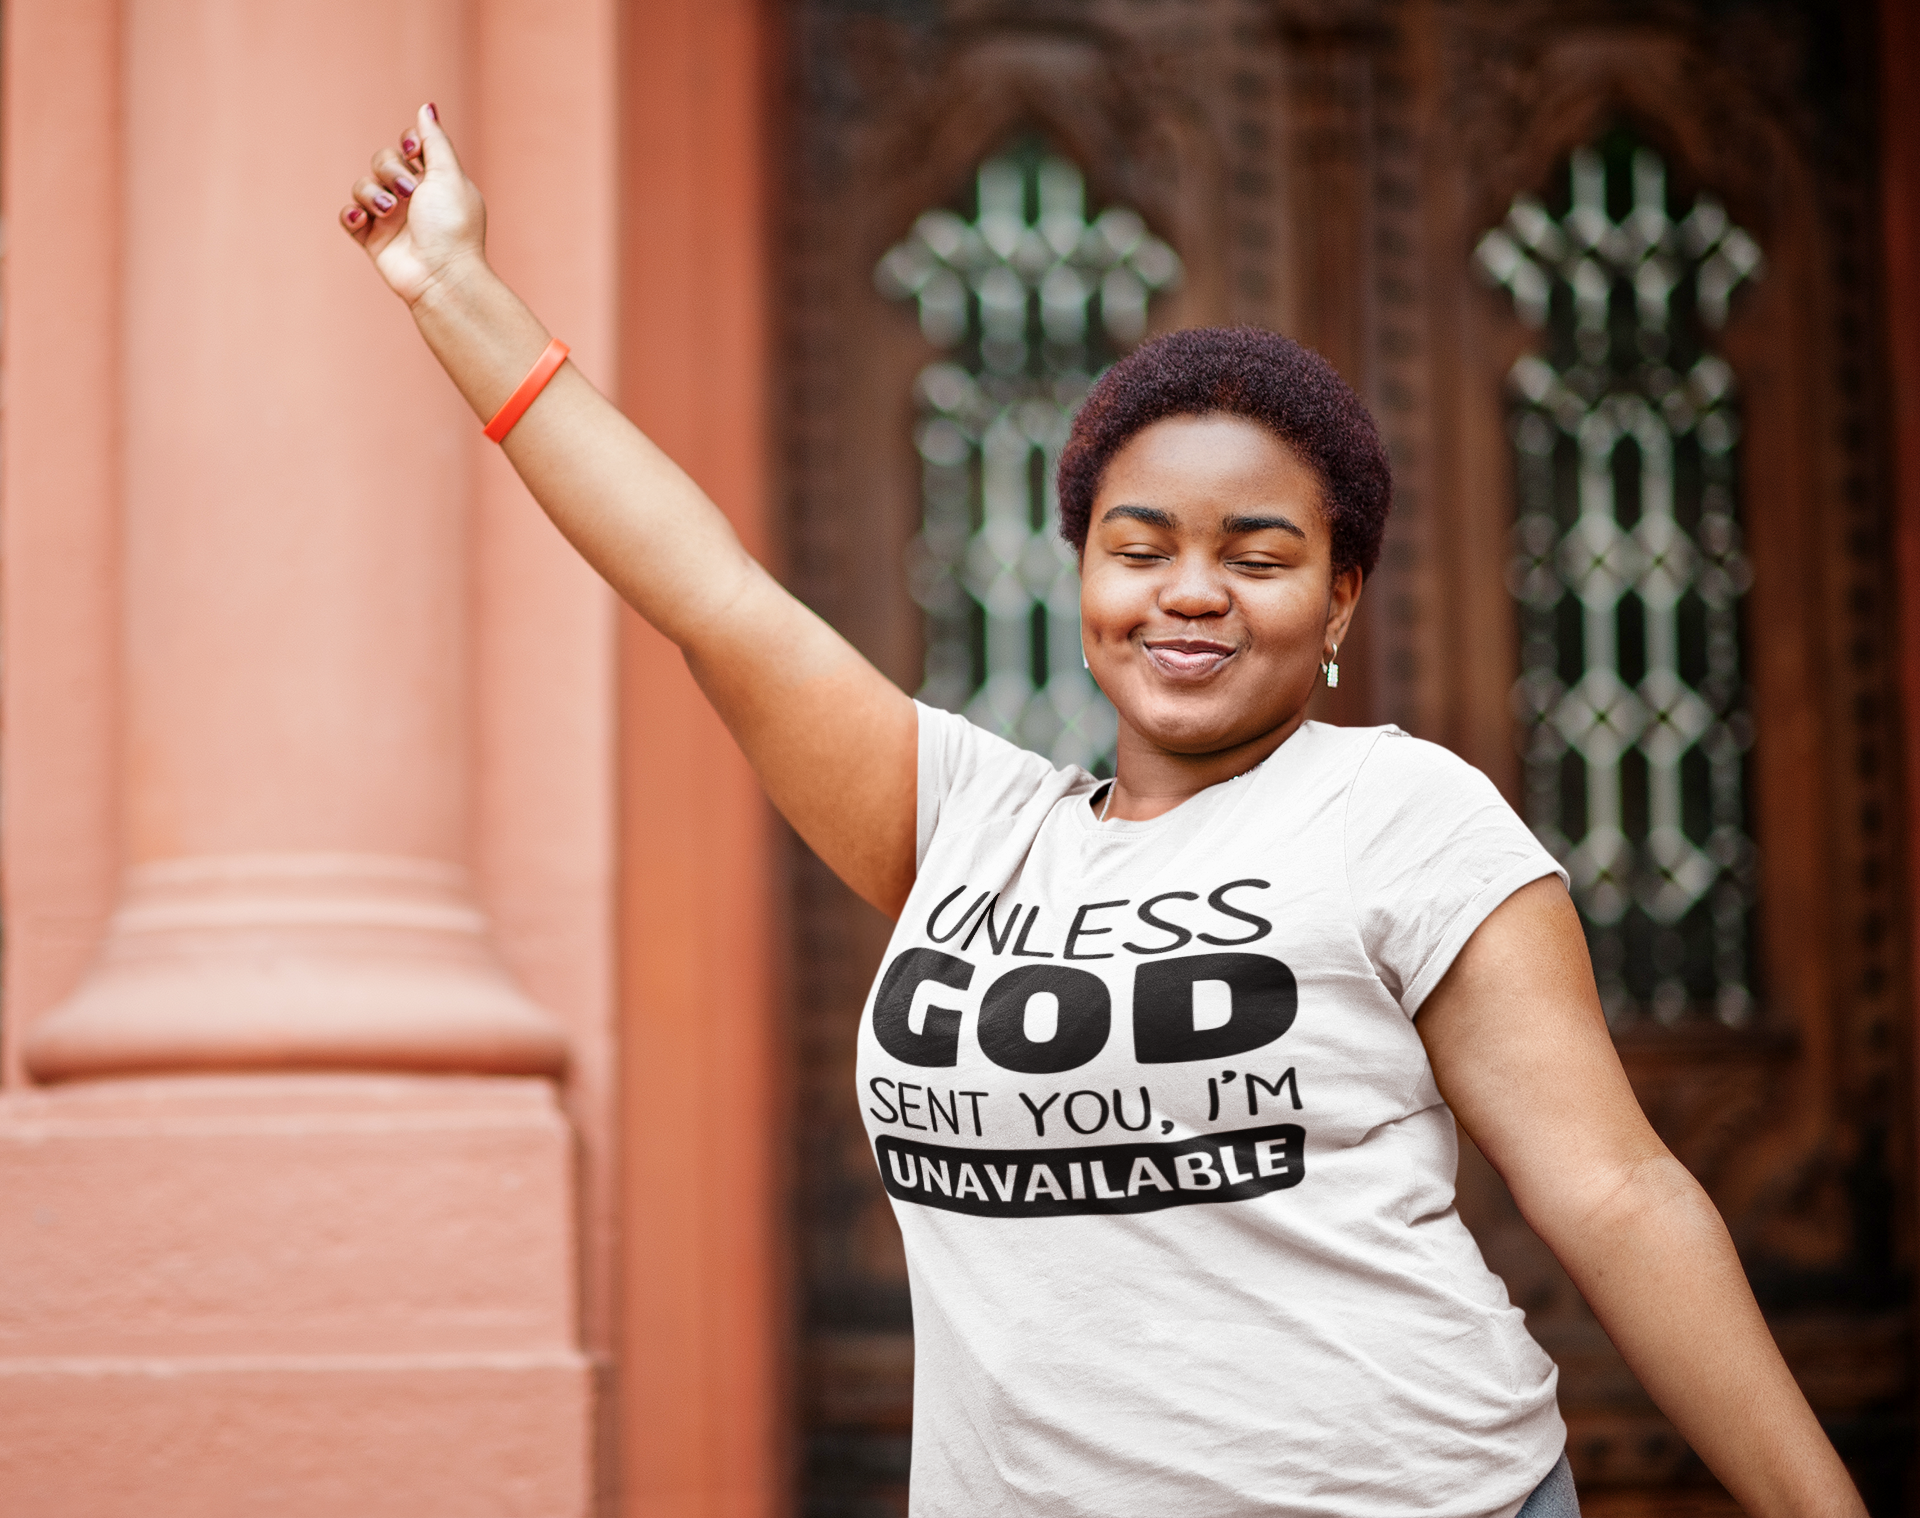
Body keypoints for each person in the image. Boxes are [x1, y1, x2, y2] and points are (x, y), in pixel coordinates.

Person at [341, 104, 1866, 1518]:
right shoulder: (967, 821)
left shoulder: (1400, 809)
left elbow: (1616, 1193)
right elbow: (709, 593)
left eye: (1257, 555)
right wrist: (451, 290)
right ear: (1082, 581)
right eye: (1140, 549)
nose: (1191, 591)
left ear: (1340, 598)